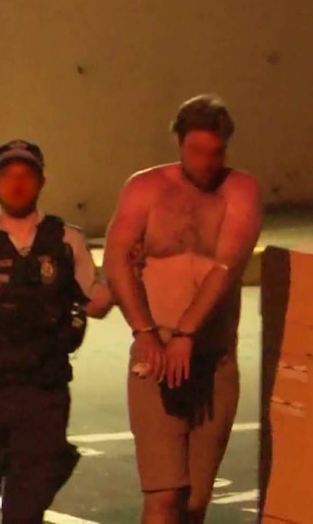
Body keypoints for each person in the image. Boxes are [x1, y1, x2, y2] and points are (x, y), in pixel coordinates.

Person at [103, 94, 262, 523]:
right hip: (156, 356)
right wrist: (146, 332)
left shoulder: (241, 191)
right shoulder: (145, 188)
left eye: (216, 152)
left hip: (213, 358)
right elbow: (115, 259)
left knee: (194, 502)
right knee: (165, 494)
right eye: (196, 150)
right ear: (178, 144)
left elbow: (227, 265)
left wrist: (189, 334)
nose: (206, 162)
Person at [0, 139, 113, 524]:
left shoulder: (67, 241)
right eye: (8, 176)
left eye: (26, 175)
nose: (17, 184)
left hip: (42, 390)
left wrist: (117, 277)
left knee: (25, 512)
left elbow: (96, 303)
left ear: (41, 182)